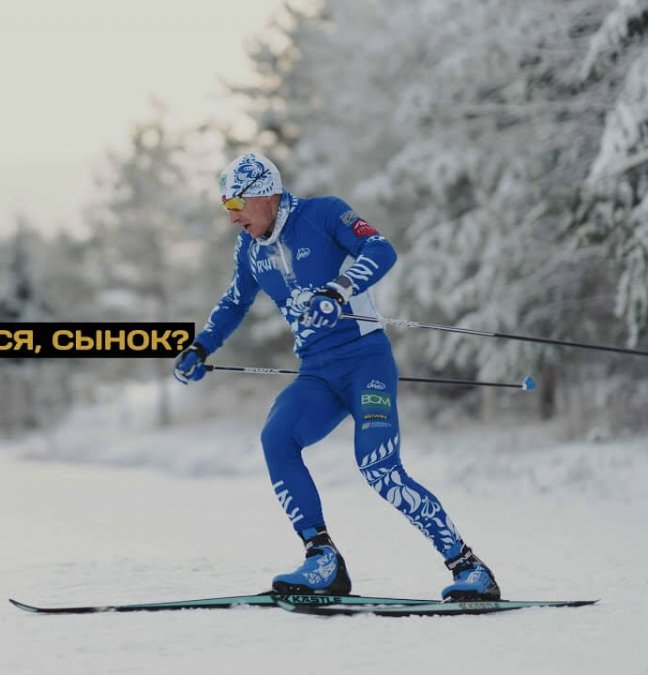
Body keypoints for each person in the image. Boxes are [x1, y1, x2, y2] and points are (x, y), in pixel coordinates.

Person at [173, 152, 500, 601]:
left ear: (264, 194)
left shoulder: (323, 214)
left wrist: (339, 290)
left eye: (235, 206)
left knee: (379, 468)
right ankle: (322, 559)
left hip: (366, 362)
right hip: (317, 374)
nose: (232, 218)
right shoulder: (251, 250)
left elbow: (381, 249)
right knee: (277, 438)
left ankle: (469, 567)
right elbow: (234, 303)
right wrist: (201, 345)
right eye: (226, 208)